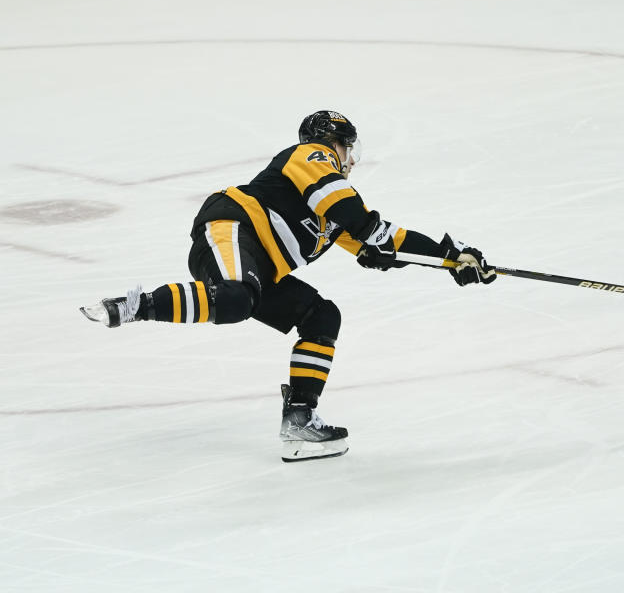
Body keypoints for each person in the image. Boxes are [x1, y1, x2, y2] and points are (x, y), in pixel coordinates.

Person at [81, 110, 496, 461]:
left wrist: (451, 259)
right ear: (334, 144)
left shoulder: (331, 212)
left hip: (260, 268)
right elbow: (361, 221)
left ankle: (299, 419)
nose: (350, 159)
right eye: (347, 148)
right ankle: (134, 305)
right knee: (235, 299)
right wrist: (386, 239)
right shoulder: (310, 156)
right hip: (231, 228)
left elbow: (382, 245)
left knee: (320, 316)